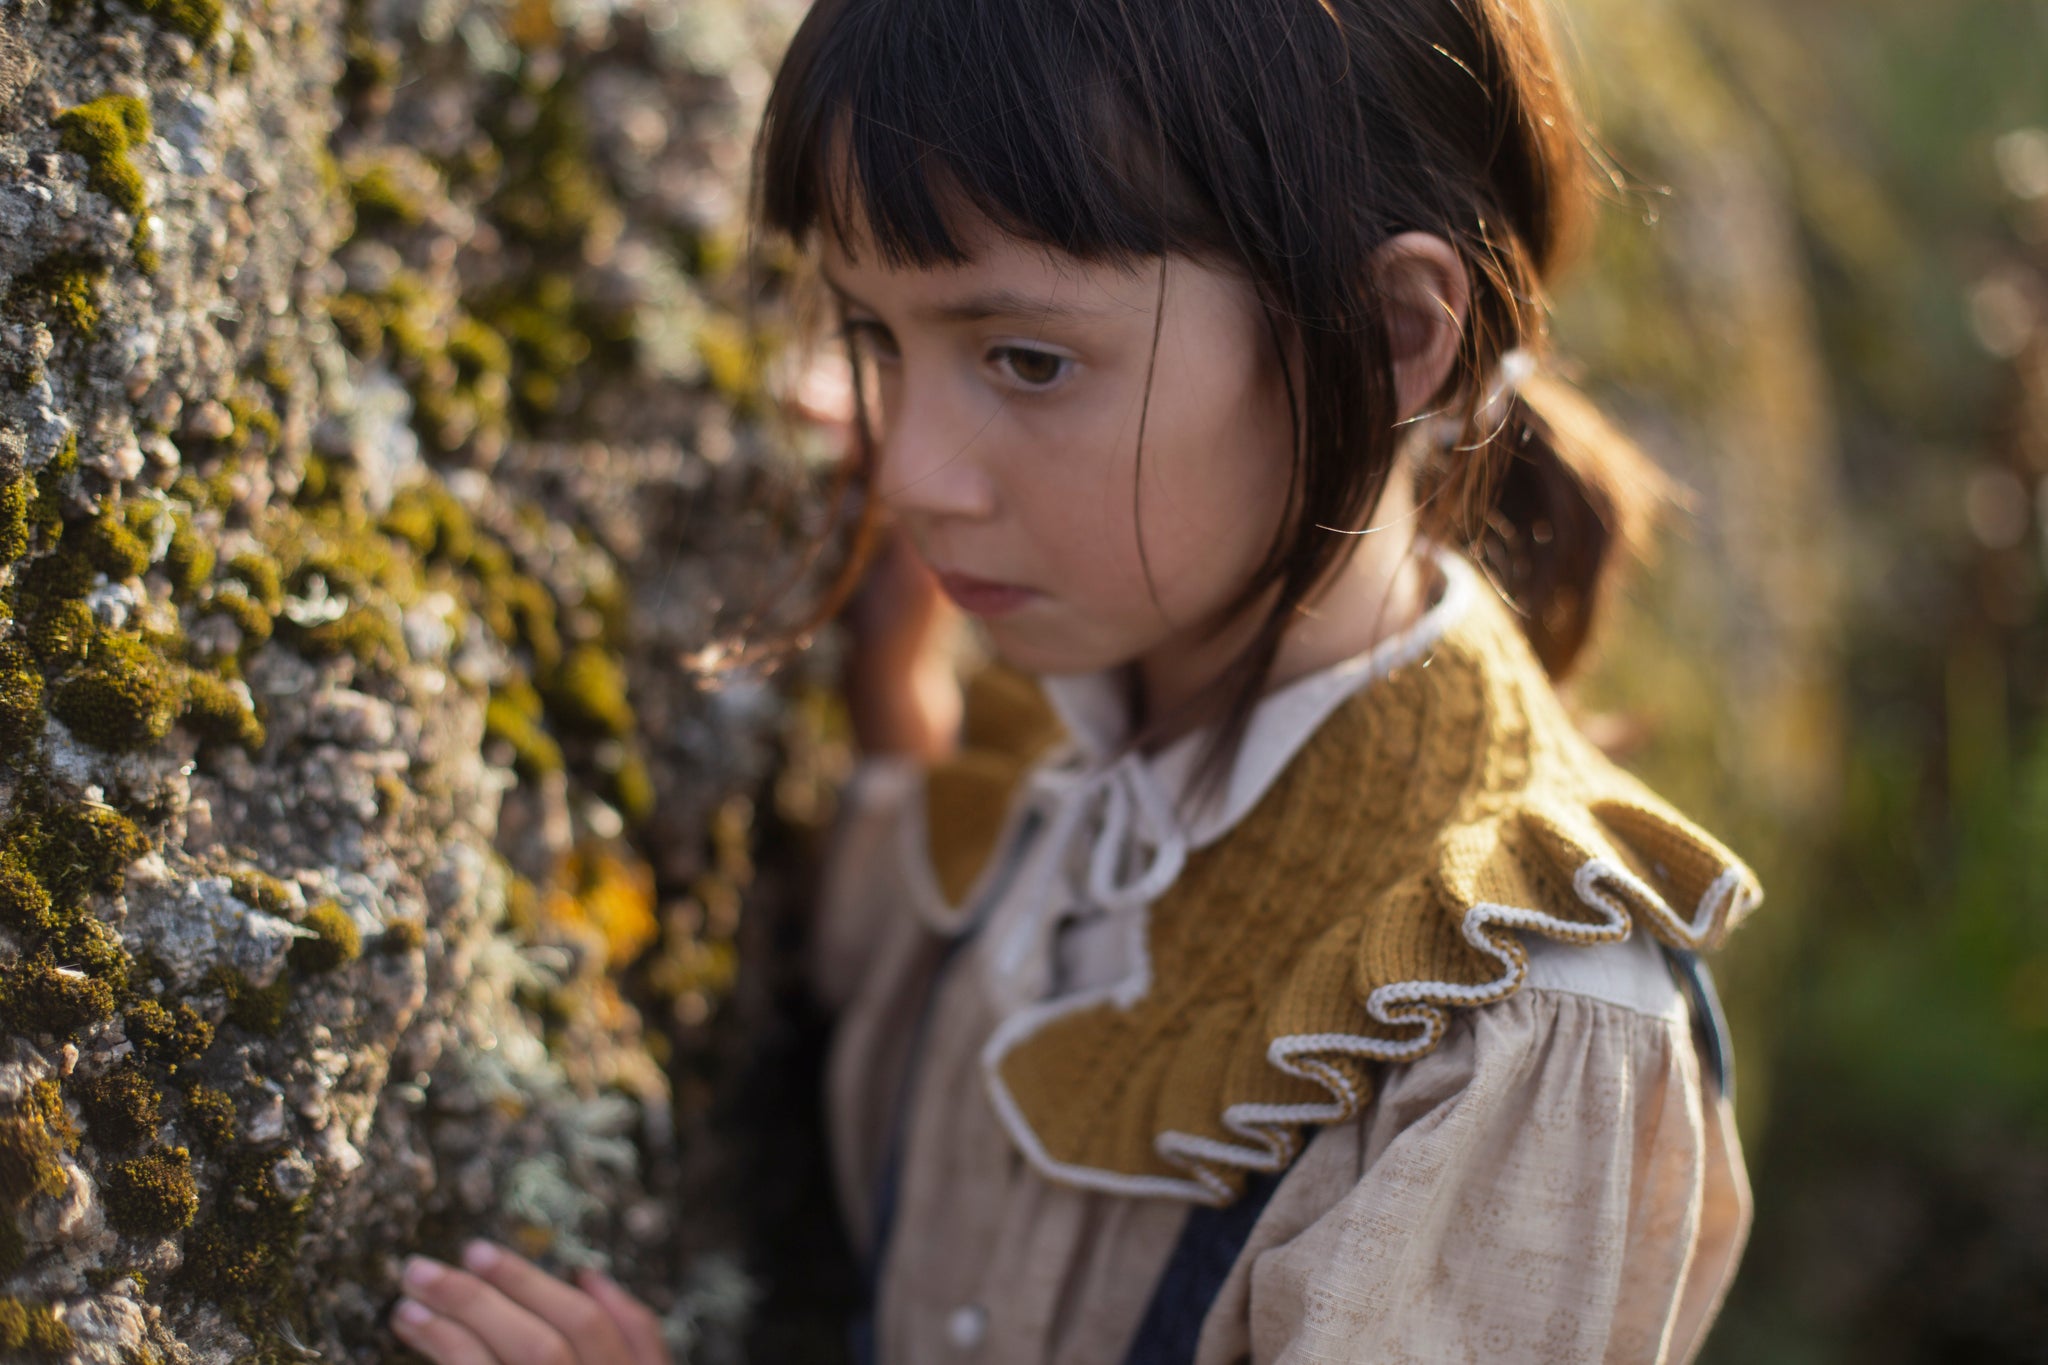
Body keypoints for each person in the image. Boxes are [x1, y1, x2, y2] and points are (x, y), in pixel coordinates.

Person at [387, 0, 1765, 1359]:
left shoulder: (1512, 1026)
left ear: (1395, 332)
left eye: (1028, 358)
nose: (915, 473)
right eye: (876, 339)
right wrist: (895, 684)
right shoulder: (1058, 736)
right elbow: (899, 981)